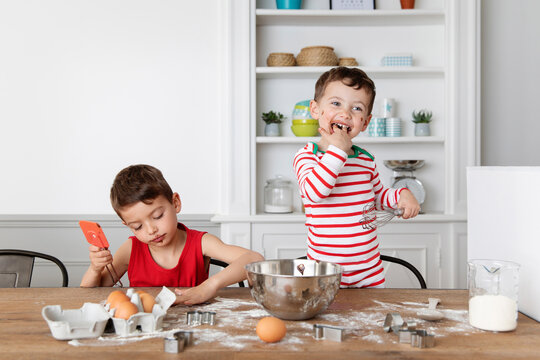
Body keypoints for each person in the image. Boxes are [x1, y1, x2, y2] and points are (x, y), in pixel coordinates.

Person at [293, 67, 420, 288]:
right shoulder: (306, 156)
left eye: (357, 108)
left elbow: (378, 197)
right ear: (315, 109)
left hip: (368, 272)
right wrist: (338, 150)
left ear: (366, 122)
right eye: (336, 103)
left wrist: (402, 194)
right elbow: (315, 193)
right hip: (324, 273)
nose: (346, 113)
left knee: (370, 321)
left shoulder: (365, 159)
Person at [80, 164, 264, 305]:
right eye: (137, 226)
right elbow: (87, 293)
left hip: (192, 325)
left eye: (158, 216)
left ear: (175, 203)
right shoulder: (131, 249)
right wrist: (95, 269)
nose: (151, 230)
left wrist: (209, 286)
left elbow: (255, 259)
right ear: (128, 226)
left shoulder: (201, 243)